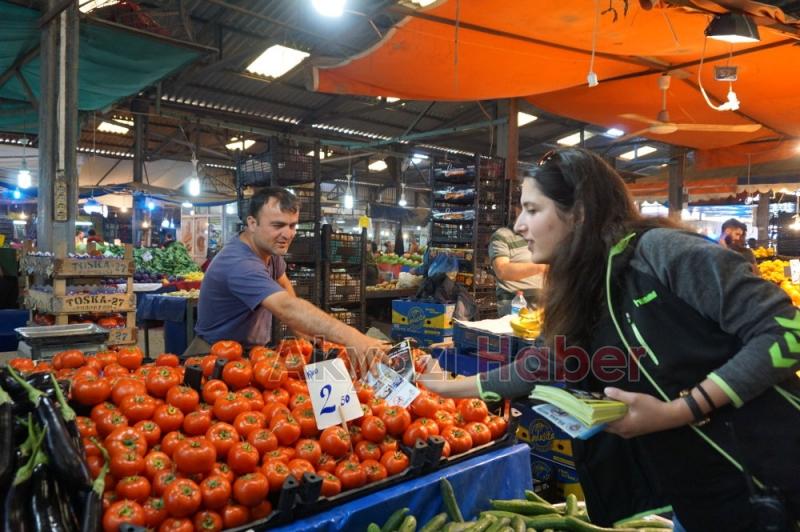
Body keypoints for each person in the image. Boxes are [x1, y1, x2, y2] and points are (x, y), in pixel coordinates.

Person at [419, 148, 800, 531]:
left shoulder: (660, 253)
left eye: (532, 210)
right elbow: (541, 365)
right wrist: (442, 386)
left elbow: (787, 330)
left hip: (767, 480)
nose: (518, 225)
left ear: (579, 213)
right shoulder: (584, 285)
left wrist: (681, 409)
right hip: (696, 489)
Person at [189, 187, 388, 370]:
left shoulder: (268, 251)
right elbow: (286, 307)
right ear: (252, 223)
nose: (288, 234)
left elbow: (283, 284)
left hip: (248, 353)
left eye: (292, 225)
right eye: (278, 225)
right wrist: (353, 337)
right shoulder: (240, 263)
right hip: (214, 355)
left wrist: (299, 331)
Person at [489, 211, 547, 316]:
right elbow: (502, 270)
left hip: (544, 306)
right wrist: (542, 267)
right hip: (516, 307)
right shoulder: (502, 236)